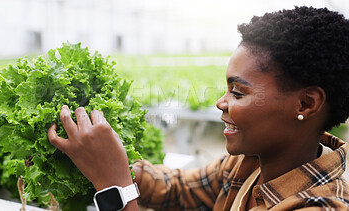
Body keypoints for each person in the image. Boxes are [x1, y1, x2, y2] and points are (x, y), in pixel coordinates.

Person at [48, 6, 349, 210]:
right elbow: (178, 188)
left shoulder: (323, 206)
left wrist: (114, 186)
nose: (221, 102)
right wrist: (109, 163)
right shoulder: (249, 164)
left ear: (306, 104)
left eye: (239, 92)